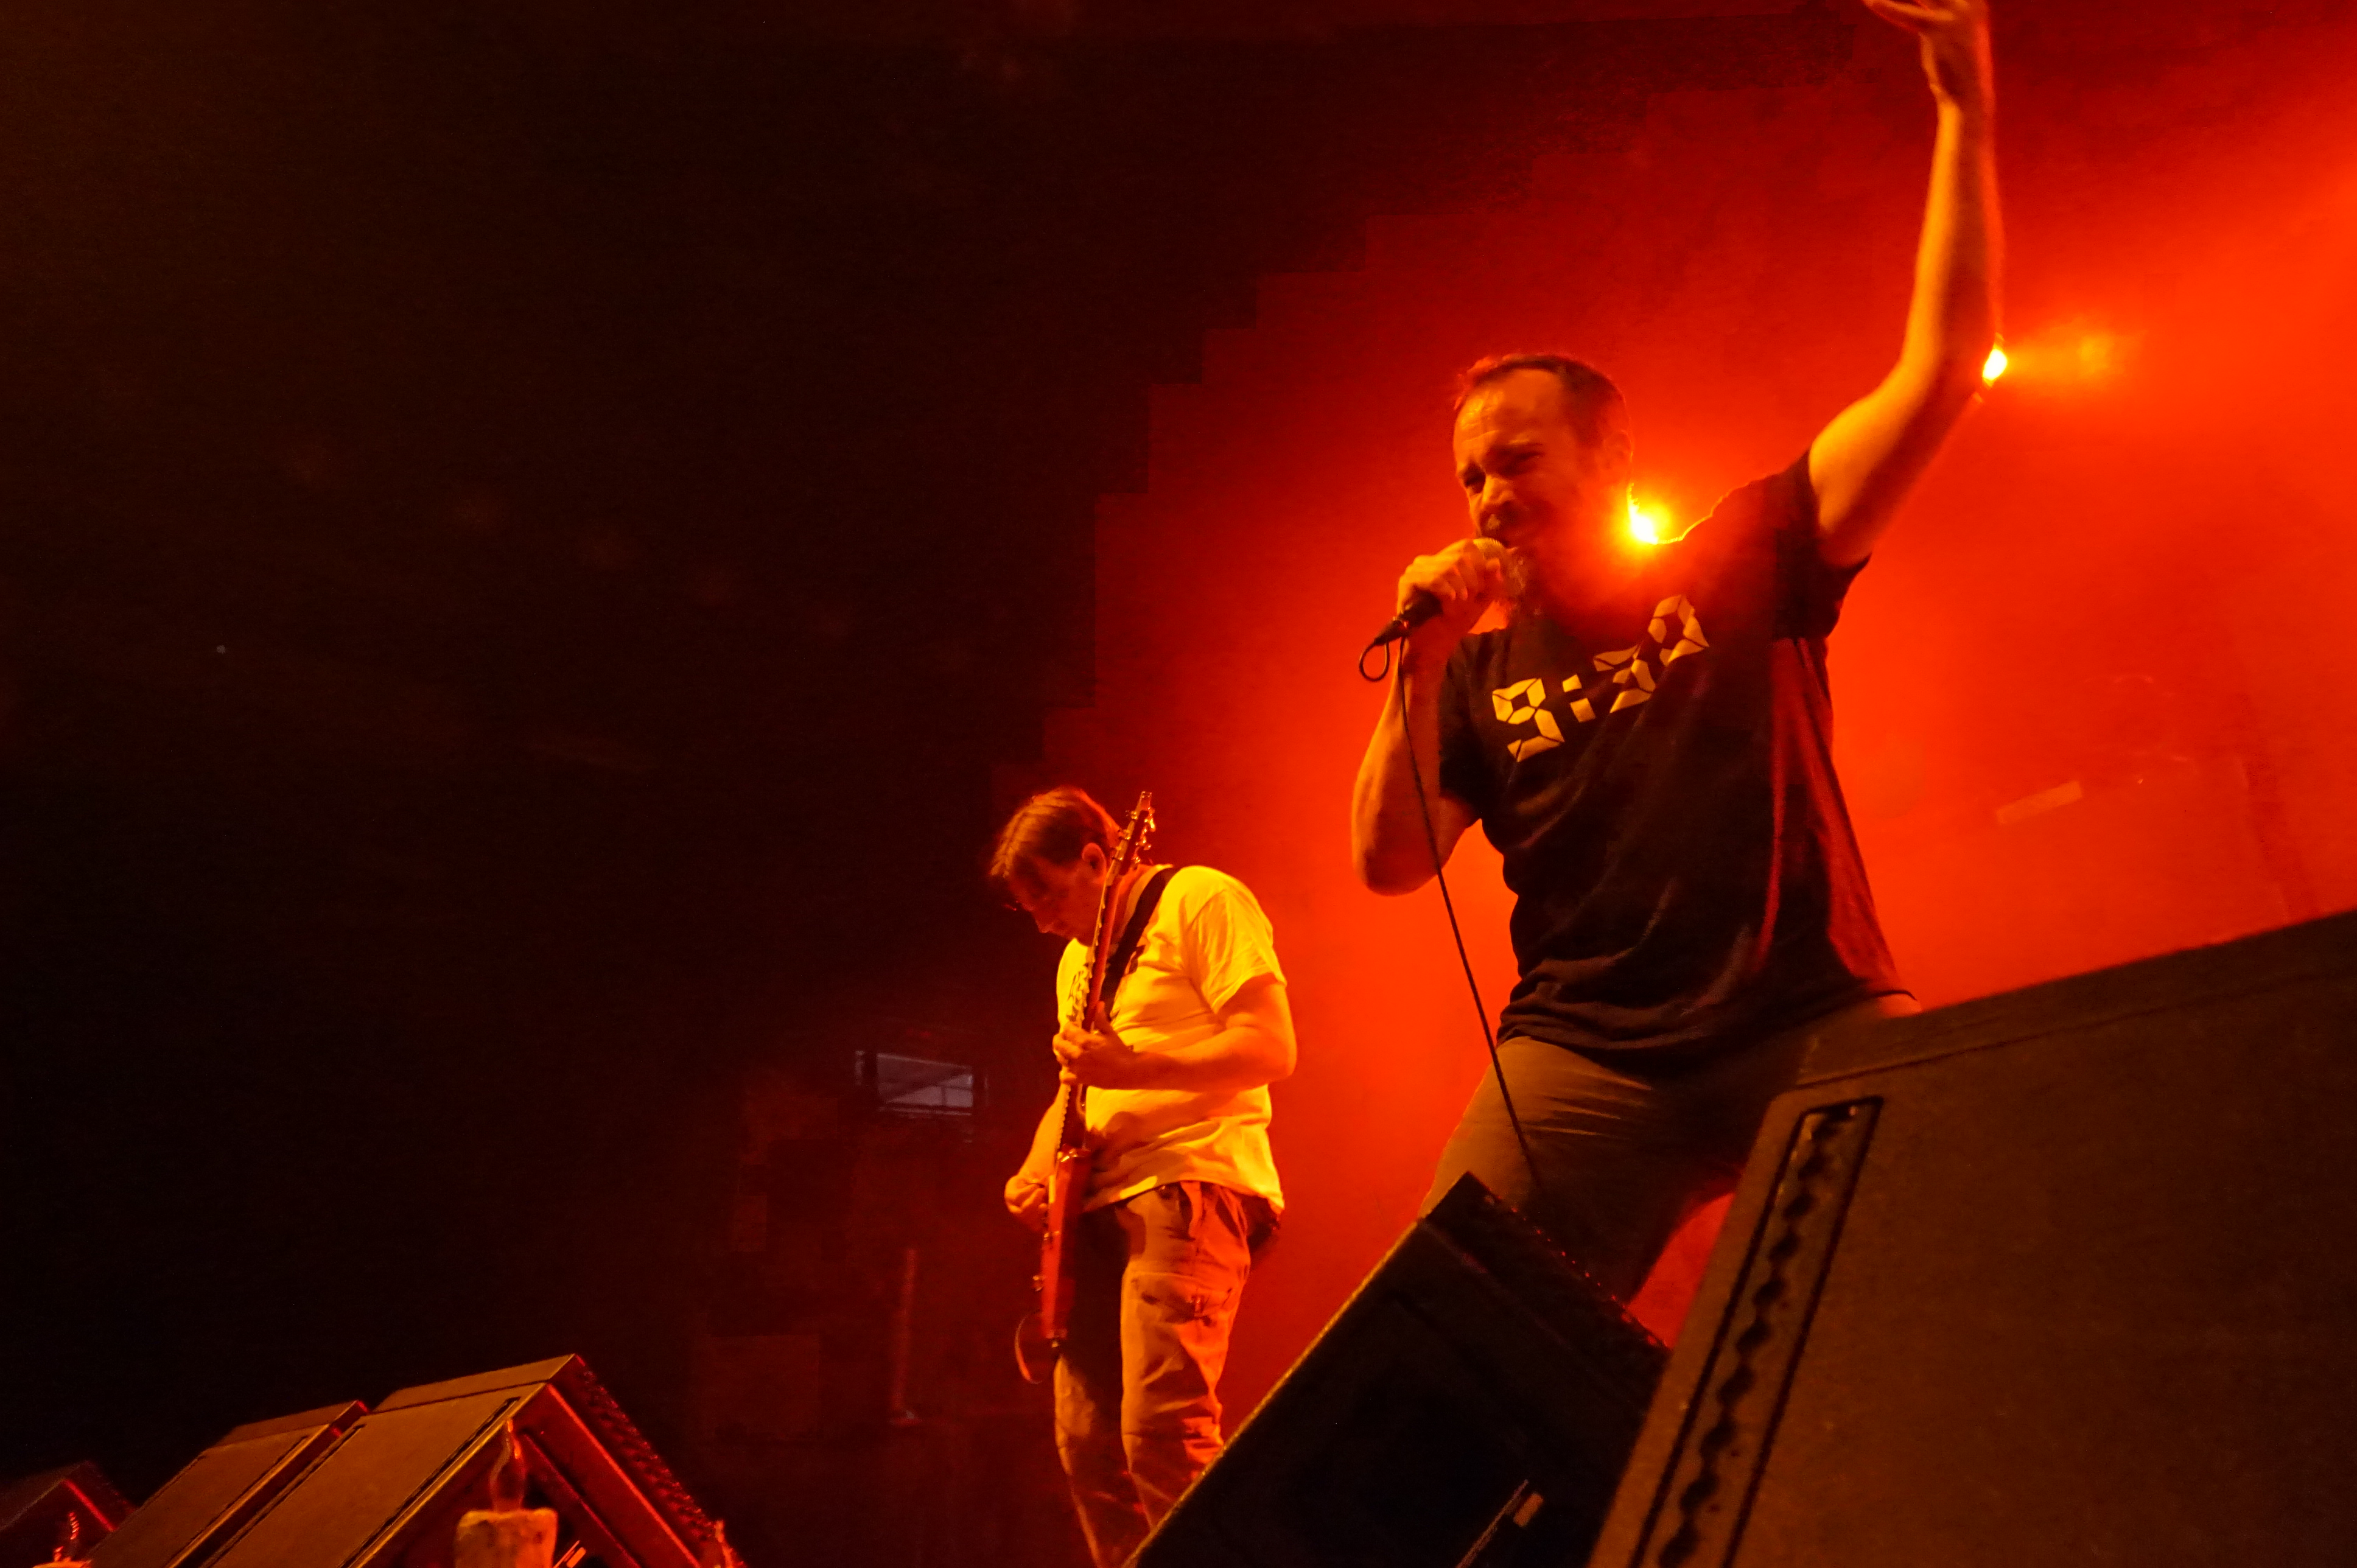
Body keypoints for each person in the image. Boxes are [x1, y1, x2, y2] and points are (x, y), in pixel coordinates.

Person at [1349, 0, 1999, 1306]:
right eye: (1470, 476)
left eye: (1515, 460)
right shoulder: (1469, 671)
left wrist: (1963, 109)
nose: (1487, 497)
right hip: (1585, 1057)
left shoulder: (1746, 554)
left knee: (1972, 1265)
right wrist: (1418, 659)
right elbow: (1388, 864)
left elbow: (1936, 372)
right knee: (1457, 1321)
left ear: (1610, 457)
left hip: (1804, 1012)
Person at [993, 786, 1295, 1568]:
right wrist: (1033, 1169)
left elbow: (1271, 1047)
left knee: (1161, 1429)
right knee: (1086, 1442)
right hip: (1095, 1208)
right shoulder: (1076, 962)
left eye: (1047, 894)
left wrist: (1137, 1066)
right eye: (1026, 906)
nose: (1041, 920)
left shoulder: (1200, 897)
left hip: (1187, 1180)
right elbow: (1077, 1086)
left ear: (1097, 859)